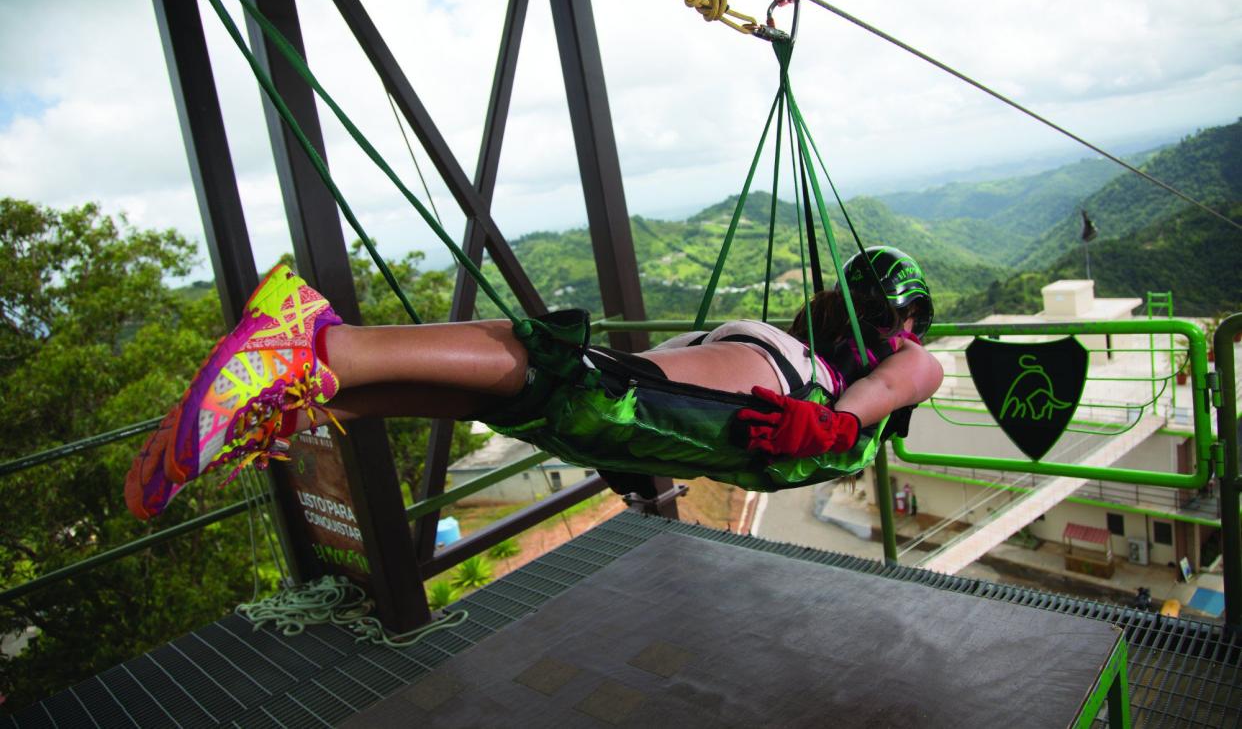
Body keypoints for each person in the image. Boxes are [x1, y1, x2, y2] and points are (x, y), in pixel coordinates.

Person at [126, 246, 943, 519]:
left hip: (758, 384)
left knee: (534, 405)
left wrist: (834, 421)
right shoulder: (910, 361)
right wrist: (838, 424)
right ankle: (319, 343)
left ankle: (313, 387)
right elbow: (895, 382)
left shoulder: (831, 344)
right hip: (774, 395)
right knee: (579, 387)